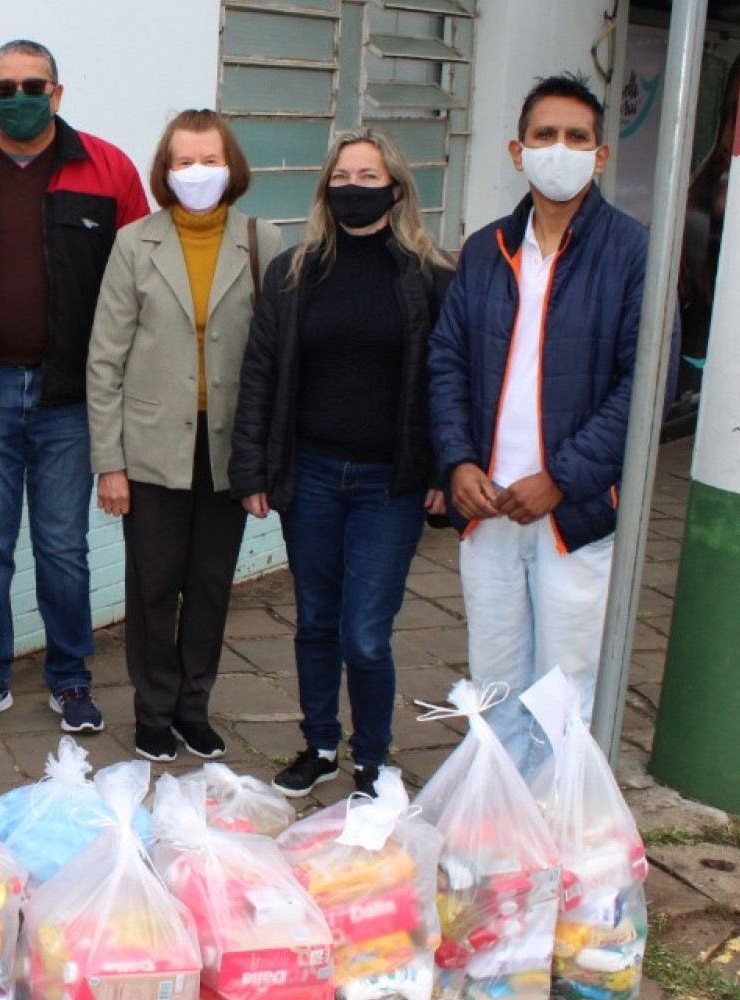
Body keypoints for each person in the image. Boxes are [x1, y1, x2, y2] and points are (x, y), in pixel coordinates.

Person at [0, 39, 148, 733]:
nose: (19, 97)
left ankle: (70, 678)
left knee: (63, 548)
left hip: (69, 398)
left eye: (33, 85)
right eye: (5, 87)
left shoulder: (108, 171)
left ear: (58, 92)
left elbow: (138, 288)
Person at [428, 74, 647, 774]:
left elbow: (644, 385)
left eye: (577, 137)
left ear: (600, 156)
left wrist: (562, 478)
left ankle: (558, 828)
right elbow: (446, 362)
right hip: (487, 508)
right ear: (517, 151)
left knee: (565, 688)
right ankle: (498, 821)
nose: (560, 149)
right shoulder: (486, 249)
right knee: (494, 683)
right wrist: (458, 462)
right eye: (545, 135)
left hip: (571, 515)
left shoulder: (633, 252)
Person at [230, 128, 456, 798]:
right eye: (342, 177)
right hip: (313, 477)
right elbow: (260, 373)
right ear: (325, 188)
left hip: (390, 484)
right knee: (316, 621)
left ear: (397, 189)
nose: (353, 188)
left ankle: (374, 757)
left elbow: (451, 381)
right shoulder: (293, 273)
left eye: (368, 176)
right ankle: (321, 744)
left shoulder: (432, 277)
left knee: (365, 633)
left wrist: (446, 470)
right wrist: (251, 469)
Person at [86, 111, 282, 763]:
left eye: (210, 160)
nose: (198, 172)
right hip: (150, 449)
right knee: (153, 586)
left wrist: (266, 458)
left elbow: (277, 355)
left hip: (229, 448)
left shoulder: (262, 240)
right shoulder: (134, 243)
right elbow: (105, 360)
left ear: (232, 167)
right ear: (165, 172)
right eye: (184, 161)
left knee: (210, 584)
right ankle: (153, 709)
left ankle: (193, 707)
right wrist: (109, 463)